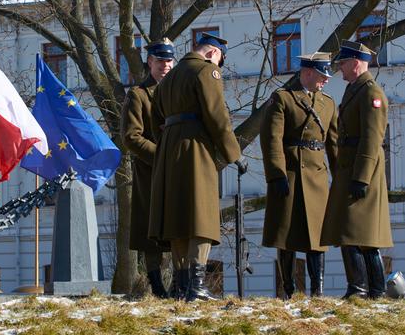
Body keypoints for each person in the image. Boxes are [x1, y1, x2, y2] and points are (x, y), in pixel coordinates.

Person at [149, 32, 243, 302]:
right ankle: (197, 286)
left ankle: (182, 285)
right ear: (214, 53)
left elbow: (156, 120)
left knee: (178, 219)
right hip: (196, 148)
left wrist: (168, 143)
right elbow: (217, 117)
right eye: (219, 61)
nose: (218, 68)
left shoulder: (169, 79)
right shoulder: (206, 72)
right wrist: (233, 154)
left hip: (170, 150)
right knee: (201, 217)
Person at [261, 52, 338, 299]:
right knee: (287, 235)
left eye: (327, 75)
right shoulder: (283, 98)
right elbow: (272, 139)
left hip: (317, 175)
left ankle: (318, 290)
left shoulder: (328, 103)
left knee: (318, 237)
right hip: (291, 173)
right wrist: (276, 174)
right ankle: (288, 289)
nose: (326, 80)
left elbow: (334, 144)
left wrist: (339, 179)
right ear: (306, 72)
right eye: (321, 75)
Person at [321, 40, 392, 299]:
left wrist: (361, 177)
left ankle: (368, 288)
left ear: (357, 63)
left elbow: (372, 139)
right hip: (349, 168)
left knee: (361, 234)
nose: (340, 69)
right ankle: (362, 287)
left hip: (363, 171)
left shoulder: (371, 93)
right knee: (348, 231)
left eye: (343, 63)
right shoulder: (355, 90)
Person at [120, 38, 175, 298]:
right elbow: (131, 137)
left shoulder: (179, 92)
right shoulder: (138, 95)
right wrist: (160, 158)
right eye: (159, 60)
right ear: (149, 62)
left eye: (168, 60)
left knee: (177, 226)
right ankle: (157, 285)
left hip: (177, 171)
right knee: (151, 231)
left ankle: (180, 284)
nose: (164, 65)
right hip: (150, 171)